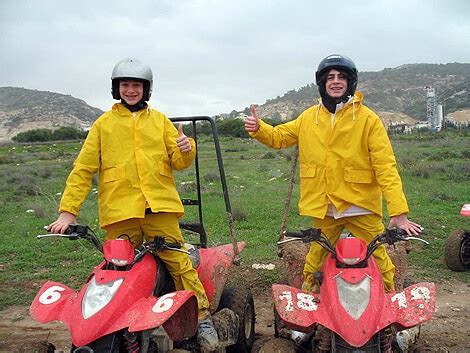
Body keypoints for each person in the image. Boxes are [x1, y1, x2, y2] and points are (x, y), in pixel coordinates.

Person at [48, 58, 218, 349]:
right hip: (120, 213)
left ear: (146, 89)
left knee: (178, 262)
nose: (130, 90)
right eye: (125, 85)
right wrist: (67, 213)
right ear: (116, 89)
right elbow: (83, 170)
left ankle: (202, 318)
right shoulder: (103, 125)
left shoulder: (160, 121)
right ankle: (111, 328)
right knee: (114, 272)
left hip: (159, 209)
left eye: (136, 85)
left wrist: (186, 149)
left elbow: (178, 162)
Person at [244, 54, 422, 293]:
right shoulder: (309, 118)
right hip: (325, 207)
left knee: (381, 263)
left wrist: (399, 213)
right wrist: (259, 129)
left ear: (350, 82)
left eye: (341, 77)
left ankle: (387, 309)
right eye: (330, 77)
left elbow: (386, 167)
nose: (335, 81)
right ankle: (311, 311)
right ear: (322, 83)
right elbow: (279, 137)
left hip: (360, 206)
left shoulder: (368, 120)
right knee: (313, 263)